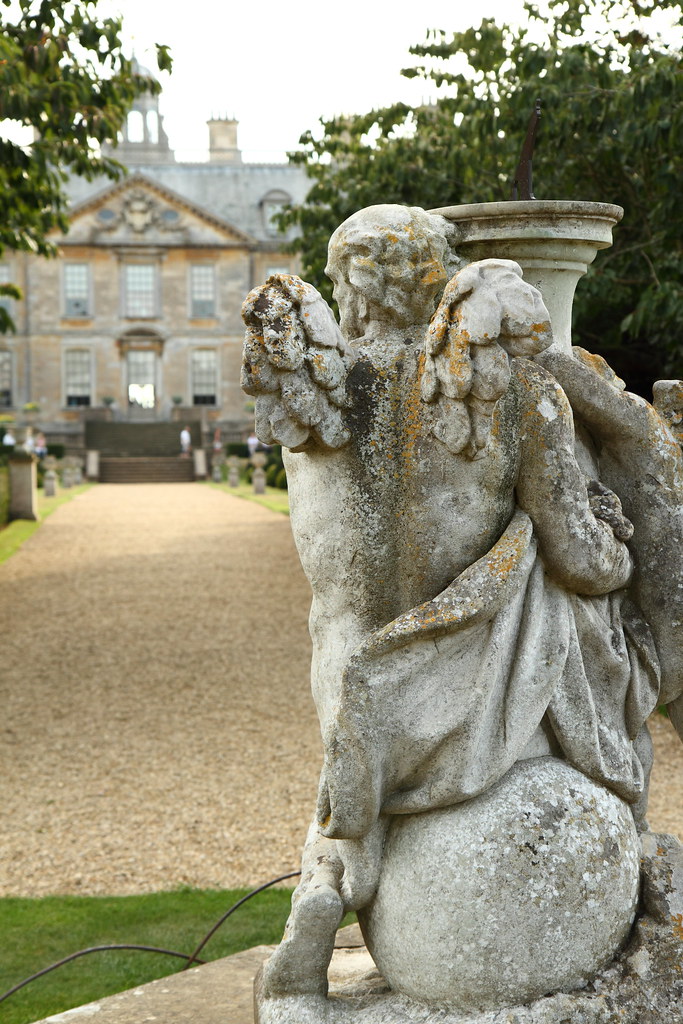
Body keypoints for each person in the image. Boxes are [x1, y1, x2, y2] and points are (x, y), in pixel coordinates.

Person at [243, 205, 660, 998]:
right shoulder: (514, 390)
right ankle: (620, 835)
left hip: (353, 677)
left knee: (352, 762)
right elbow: (580, 556)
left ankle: (329, 875)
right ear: (439, 276)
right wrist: (615, 543)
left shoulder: (318, 409)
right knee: (552, 591)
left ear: (345, 288)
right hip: (465, 686)